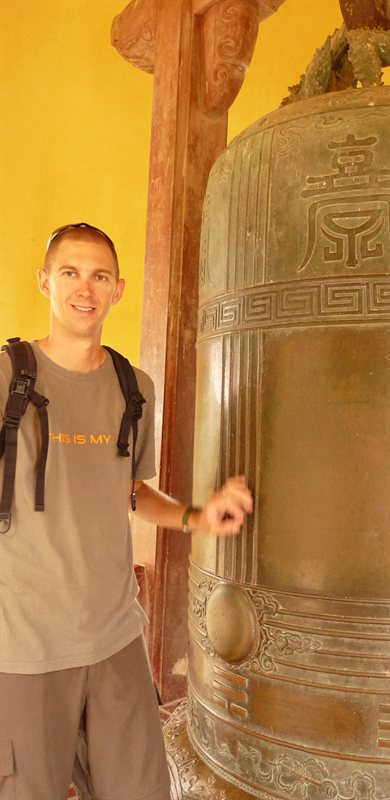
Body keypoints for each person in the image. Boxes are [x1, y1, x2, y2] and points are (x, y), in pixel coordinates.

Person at [0, 222, 253, 800]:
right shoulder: (7, 377)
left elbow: (128, 488)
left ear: (118, 289)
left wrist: (196, 516)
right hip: (26, 644)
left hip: (115, 637)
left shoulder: (132, 386)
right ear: (45, 282)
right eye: (70, 273)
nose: (84, 289)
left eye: (99, 276)